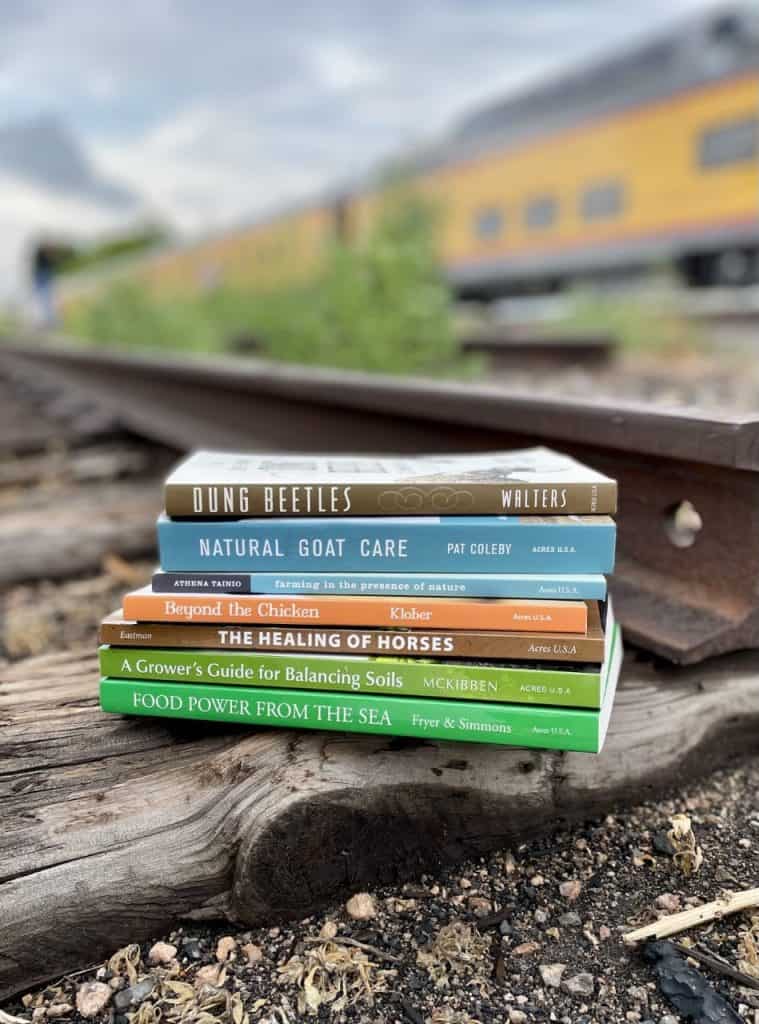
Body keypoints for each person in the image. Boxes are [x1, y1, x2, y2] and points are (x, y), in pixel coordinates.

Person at [31, 243, 57, 327]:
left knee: (45, 300)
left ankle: (47, 321)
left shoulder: (41, 255)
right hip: (42, 278)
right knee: (45, 300)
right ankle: (46, 321)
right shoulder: (43, 255)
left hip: (42, 278)